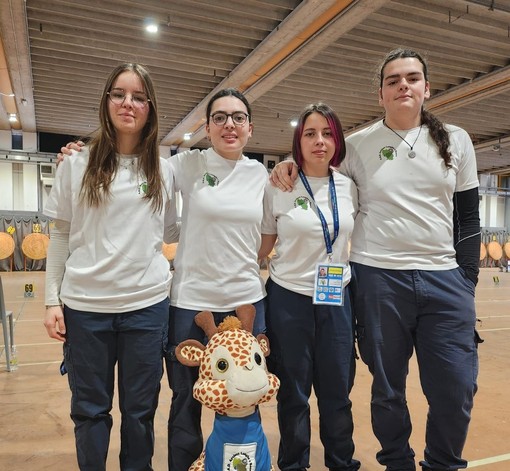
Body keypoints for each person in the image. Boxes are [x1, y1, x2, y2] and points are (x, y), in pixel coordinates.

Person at [270, 48, 481, 471]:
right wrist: (288, 163)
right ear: (380, 93)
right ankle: (398, 462)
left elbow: (470, 217)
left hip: (444, 279)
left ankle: (441, 463)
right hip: (378, 278)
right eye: (393, 80)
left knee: (456, 388)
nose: (404, 85)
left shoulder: (456, 139)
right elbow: (318, 163)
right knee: (387, 389)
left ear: (426, 87)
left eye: (412, 77)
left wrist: (467, 279)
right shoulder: (360, 145)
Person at [58, 87, 269, 471]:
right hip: (190, 301)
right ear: (206, 127)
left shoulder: (265, 176)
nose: (229, 125)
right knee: (186, 400)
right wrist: (77, 152)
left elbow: (271, 233)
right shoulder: (182, 165)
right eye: (219, 117)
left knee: (244, 398)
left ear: (251, 128)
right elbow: (142, 192)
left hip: (247, 302)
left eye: (238, 117)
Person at [43, 63, 179, 471]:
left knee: (139, 414)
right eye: (119, 94)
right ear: (106, 101)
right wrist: (52, 299)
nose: (128, 103)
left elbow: (171, 231)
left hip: (146, 308)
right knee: (90, 411)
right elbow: (62, 235)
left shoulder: (164, 169)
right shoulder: (75, 164)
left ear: (150, 108)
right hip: (86, 310)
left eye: (139, 97)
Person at [259, 103, 360, 471]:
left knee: (337, 393)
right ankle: (293, 465)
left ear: (337, 140)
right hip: (288, 300)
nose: (320, 141)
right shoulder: (279, 185)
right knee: (294, 395)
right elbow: (262, 249)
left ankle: (341, 462)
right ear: (297, 142)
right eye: (310, 134)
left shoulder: (349, 187)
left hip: (336, 298)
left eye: (328, 133)